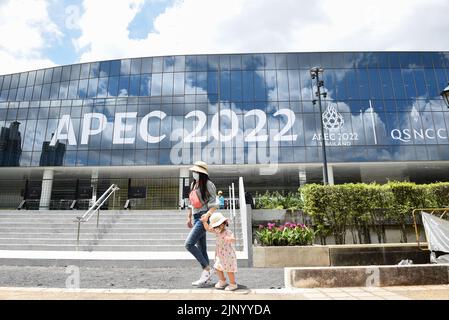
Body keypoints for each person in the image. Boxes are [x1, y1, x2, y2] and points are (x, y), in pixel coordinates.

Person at [185, 161, 218, 286]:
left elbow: (214, 204)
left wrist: (207, 216)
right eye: (194, 172)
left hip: (203, 217)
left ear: (201, 173)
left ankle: (207, 269)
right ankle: (206, 276)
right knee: (202, 248)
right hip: (195, 217)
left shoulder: (209, 184)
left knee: (188, 244)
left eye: (196, 172)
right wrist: (189, 217)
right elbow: (191, 202)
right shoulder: (194, 184)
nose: (194, 173)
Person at [201, 211, 238, 291]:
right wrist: (204, 221)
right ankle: (222, 281)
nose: (217, 228)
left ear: (224, 223)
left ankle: (233, 284)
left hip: (228, 254)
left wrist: (230, 239)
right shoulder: (217, 231)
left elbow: (234, 239)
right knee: (217, 267)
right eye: (216, 227)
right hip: (220, 254)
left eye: (219, 225)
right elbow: (207, 228)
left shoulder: (227, 232)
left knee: (229, 269)